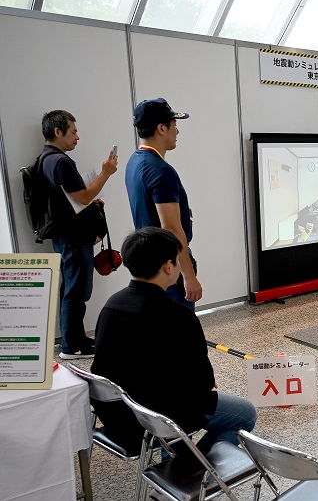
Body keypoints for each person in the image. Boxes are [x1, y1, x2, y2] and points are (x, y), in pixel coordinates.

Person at [91, 227, 256, 450]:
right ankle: (188, 467)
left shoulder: (112, 304)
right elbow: (203, 385)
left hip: (121, 416)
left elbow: (104, 365)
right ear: (168, 266)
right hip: (162, 417)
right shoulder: (178, 316)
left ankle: (176, 456)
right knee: (245, 414)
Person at [40, 110, 118, 359]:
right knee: (76, 292)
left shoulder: (46, 159)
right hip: (74, 237)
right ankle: (71, 347)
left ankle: (75, 339)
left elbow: (72, 199)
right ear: (57, 131)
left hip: (64, 236)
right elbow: (82, 196)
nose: (77, 137)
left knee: (70, 291)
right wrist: (106, 173)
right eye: (73, 131)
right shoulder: (61, 161)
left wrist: (91, 202)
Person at [125, 98, 201, 309]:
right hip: (166, 263)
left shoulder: (134, 161)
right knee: (177, 330)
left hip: (147, 262)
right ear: (161, 128)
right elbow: (171, 228)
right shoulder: (160, 171)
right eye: (174, 125)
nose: (177, 131)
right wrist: (188, 275)